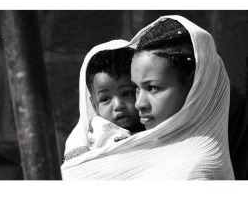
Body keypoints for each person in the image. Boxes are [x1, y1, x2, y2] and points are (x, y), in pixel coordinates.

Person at [61, 15, 234, 180]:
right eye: (136, 88)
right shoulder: (87, 142)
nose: (139, 104)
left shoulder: (195, 169)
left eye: (152, 88)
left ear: (194, 87)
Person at [63, 40, 144, 161]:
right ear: (94, 106)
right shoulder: (89, 134)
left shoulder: (157, 126)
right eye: (105, 99)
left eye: (127, 93)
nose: (118, 105)